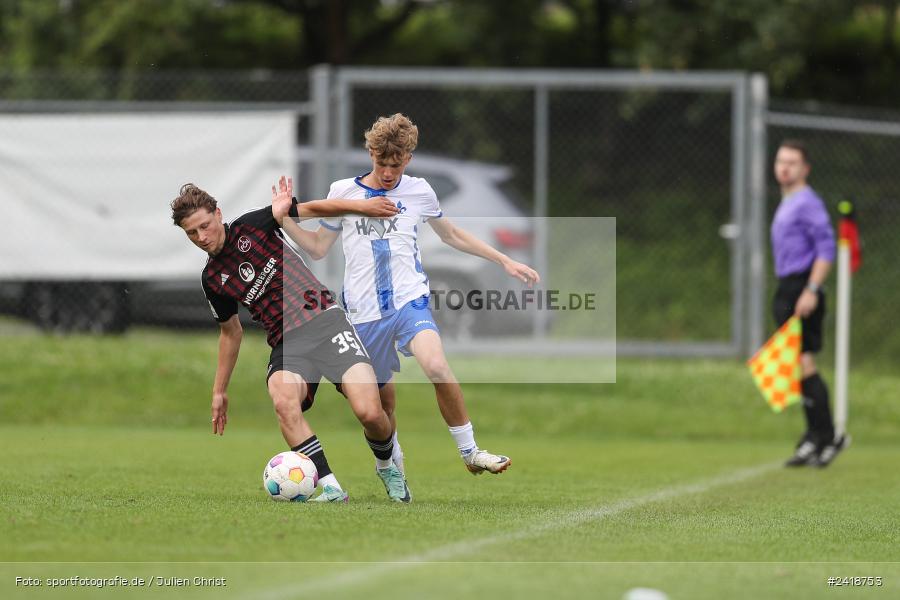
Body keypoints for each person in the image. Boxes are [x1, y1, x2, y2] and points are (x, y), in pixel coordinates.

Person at [280, 113, 540, 482]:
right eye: (381, 163)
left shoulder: (419, 191)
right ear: (370, 154)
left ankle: (470, 451)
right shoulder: (343, 192)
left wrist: (504, 260)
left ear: (408, 159)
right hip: (363, 312)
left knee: (435, 365)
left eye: (396, 164)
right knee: (382, 406)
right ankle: (389, 460)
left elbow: (451, 235)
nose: (388, 172)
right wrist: (286, 221)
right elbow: (319, 248)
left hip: (409, 300)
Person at [170, 176, 412, 502]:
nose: (201, 237)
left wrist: (363, 207)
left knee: (371, 412)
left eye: (204, 226)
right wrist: (219, 391)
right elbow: (230, 332)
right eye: (192, 233)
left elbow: (315, 209)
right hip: (288, 342)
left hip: (327, 323)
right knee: (284, 401)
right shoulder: (213, 279)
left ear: (218, 213)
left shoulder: (254, 225)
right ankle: (330, 487)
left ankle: (386, 464)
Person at [771, 139, 848, 468]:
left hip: (802, 287)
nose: (784, 167)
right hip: (788, 286)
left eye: (792, 162)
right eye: (780, 161)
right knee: (796, 366)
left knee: (804, 363)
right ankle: (814, 436)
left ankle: (827, 435)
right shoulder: (788, 200)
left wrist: (812, 289)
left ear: (805, 168)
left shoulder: (807, 202)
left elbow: (826, 249)